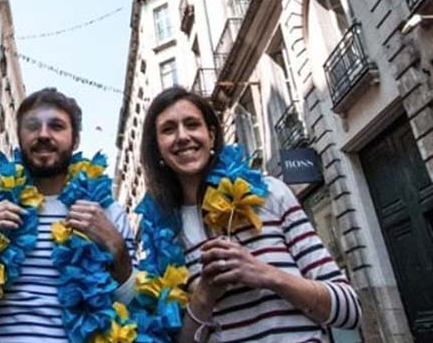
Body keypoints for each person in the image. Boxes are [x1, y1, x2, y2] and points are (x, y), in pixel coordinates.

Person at [139, 87, 361, 342]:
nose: (182, 136)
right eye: (168, 129)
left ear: (210, 136)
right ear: (157, 150)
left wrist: (266, 274)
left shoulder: (270, 195)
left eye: (192, 124)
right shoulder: (164, 237)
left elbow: (350, 310)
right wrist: (203, 295)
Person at [0, 88, 137, 342]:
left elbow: (135, 306)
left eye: (56, 126)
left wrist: (117, 249)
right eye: (33, 126)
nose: (43, 134)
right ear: (19, 137)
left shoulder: (107, 212)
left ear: (76, 140)